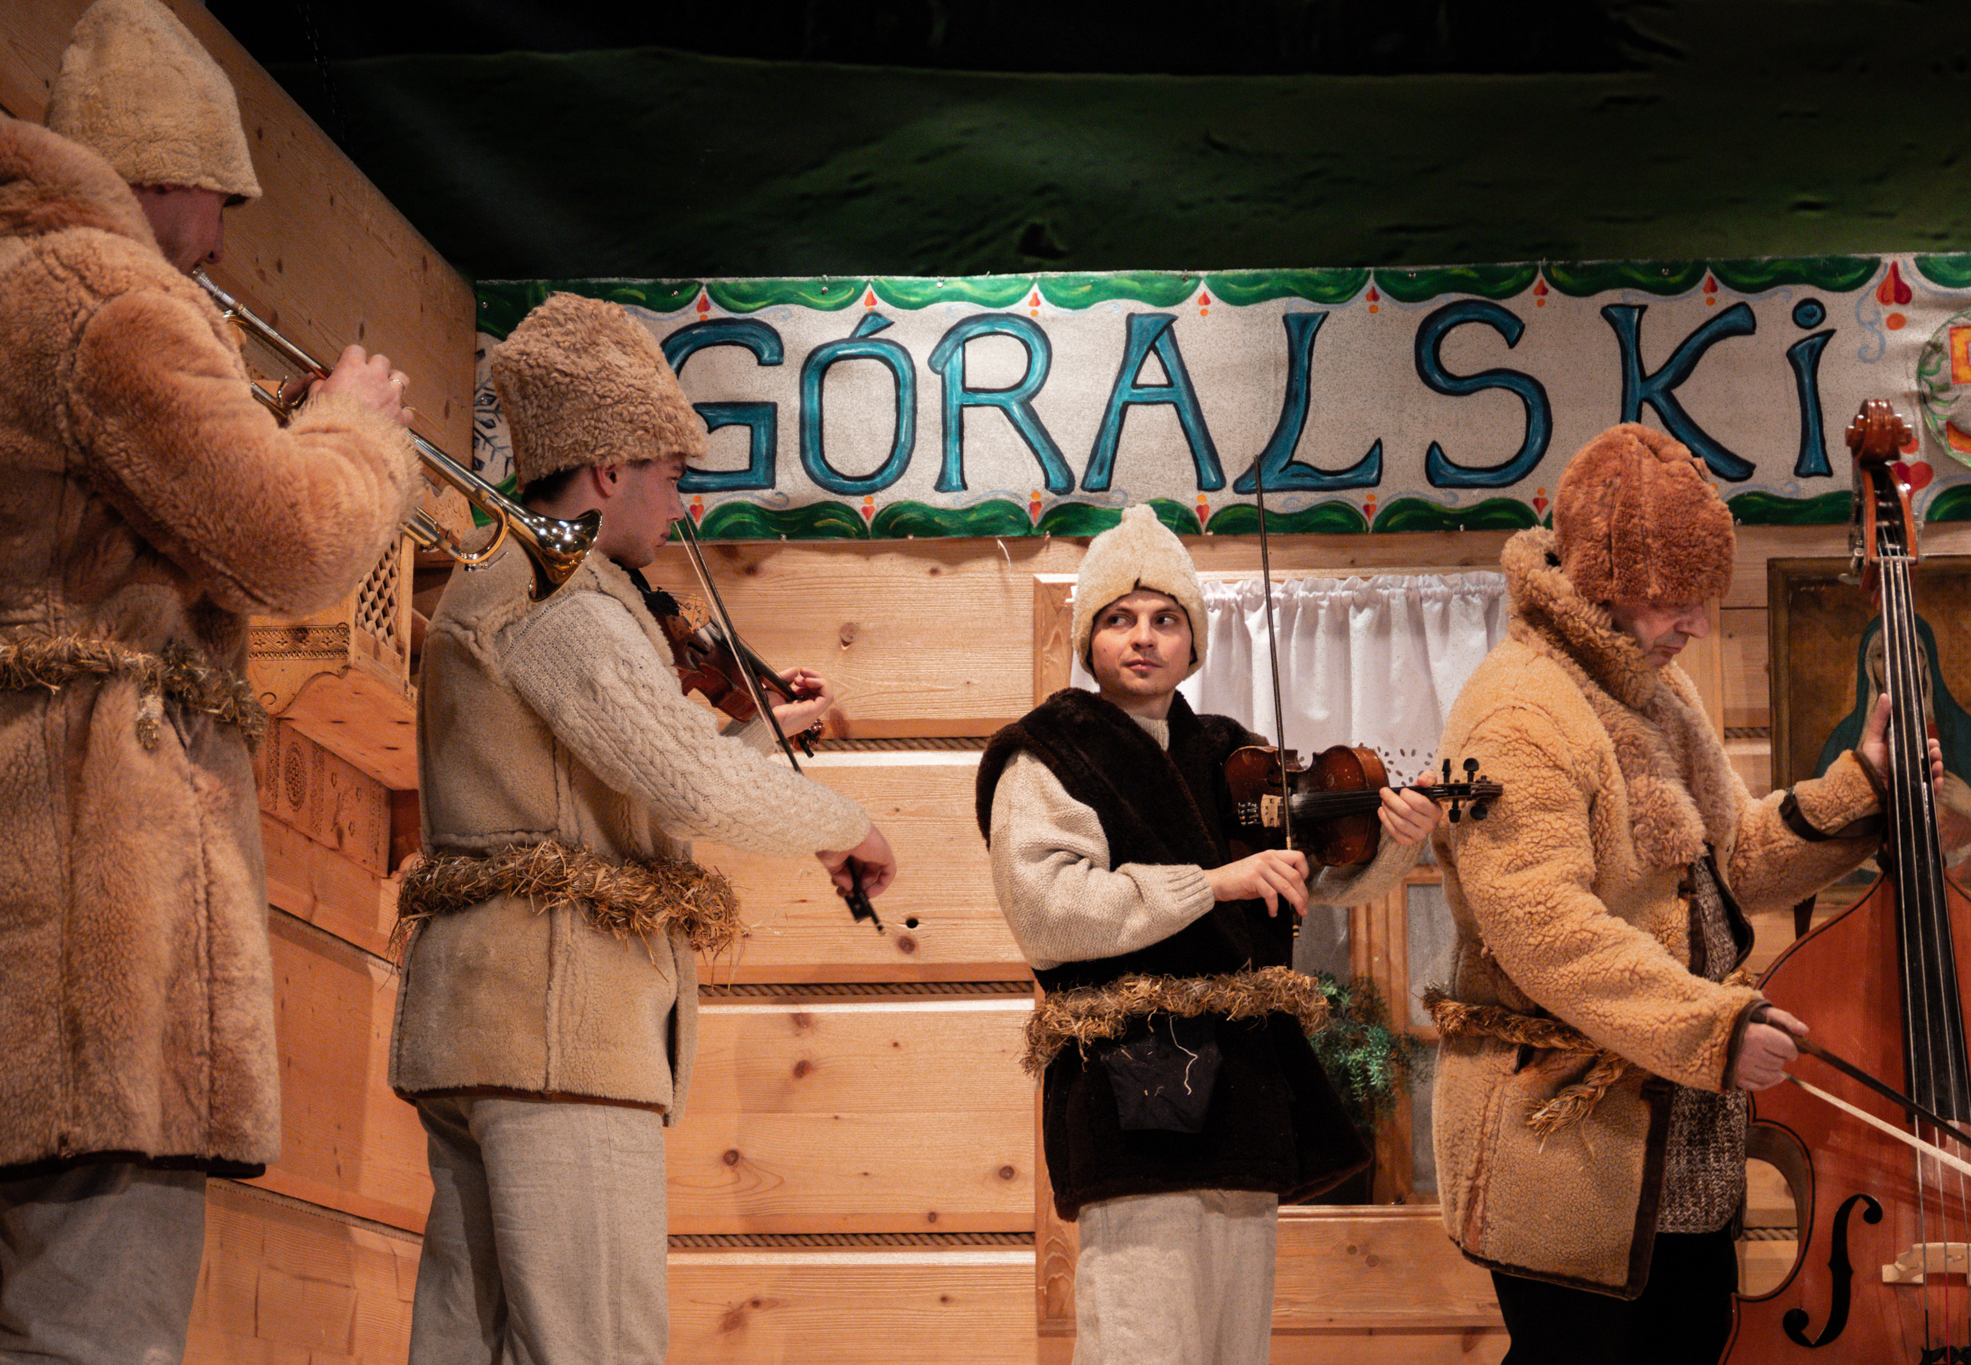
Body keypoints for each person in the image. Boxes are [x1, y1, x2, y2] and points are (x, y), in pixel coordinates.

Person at [0, 0, 419, 1358]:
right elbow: (292, 544)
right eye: (222, 201)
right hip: (100, 910)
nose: (222, 244)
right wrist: (353, 432)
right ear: (168, 170)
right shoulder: (106, 297)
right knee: (92, 1334)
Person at [388, 290, 897, 1364]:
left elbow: (609, 787)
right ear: (609, 470)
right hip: (559, 1026)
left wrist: (755, 736)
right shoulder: (564, 598)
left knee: (470, 1343)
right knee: (598, 1345)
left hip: (489, 1025)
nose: (681, 503)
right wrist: (846, 821)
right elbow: (685, 784)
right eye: (670, 475)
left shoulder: (510, 581)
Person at [1427, 423, 1943, 1365]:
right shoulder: (1518, 710)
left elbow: (1734, 859)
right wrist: (1717, 1028)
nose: (1699, 625)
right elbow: (1550, 933)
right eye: (1676, 599)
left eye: (1705, 600)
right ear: (1604, 581)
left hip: (1686, 1145)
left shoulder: (1660, 696)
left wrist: (1864, 786)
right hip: (1574, 1149)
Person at [974, 504, 1441, 1365]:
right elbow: (1048, 910)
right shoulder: (1046, 754)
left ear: (1193, 641)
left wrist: (1397, 843)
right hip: (1129, 1097)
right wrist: (1214, 881)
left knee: (1234, 1347)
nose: (1142, 637)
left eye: (1165, 619)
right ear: (1088, 639)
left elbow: (1321, 876)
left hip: (1244, 1097)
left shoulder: (1233, 755)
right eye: (1118, 618)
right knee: (1141, 1344)